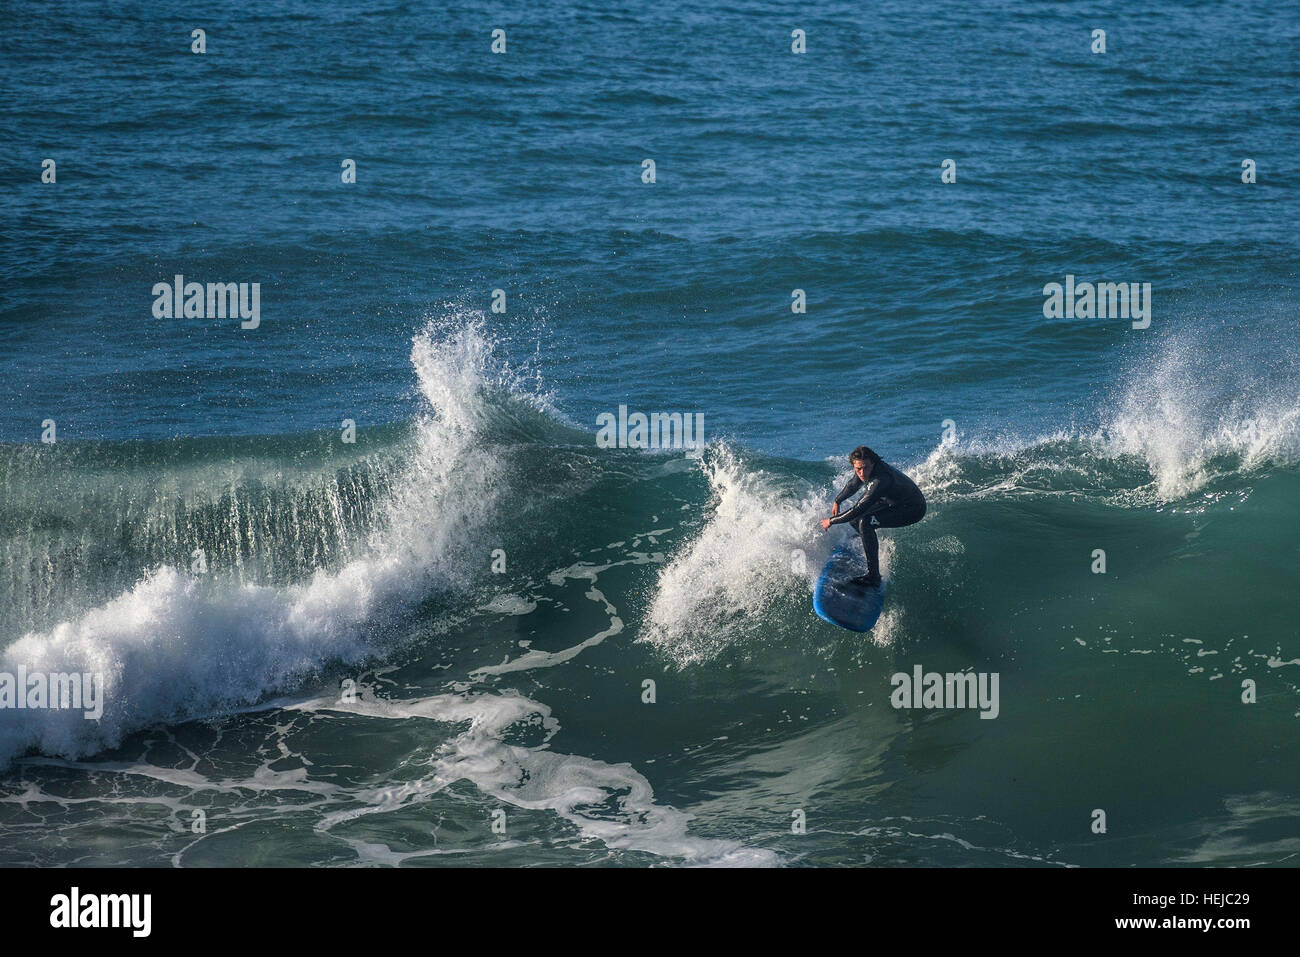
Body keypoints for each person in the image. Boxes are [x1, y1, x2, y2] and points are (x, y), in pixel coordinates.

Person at [819, 445, 926, 587]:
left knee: (865, 522)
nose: (862, 473)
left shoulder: (880, 480)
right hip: (891, 501)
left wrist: (831, 521)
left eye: (865, 468)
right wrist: (837, 500)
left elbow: (858, 509)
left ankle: (874, 577)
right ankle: (867, 544)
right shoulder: (863, 469)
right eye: (858, 469)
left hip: (912, 508)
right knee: (855, 521)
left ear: (873, 463)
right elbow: (852, 484)